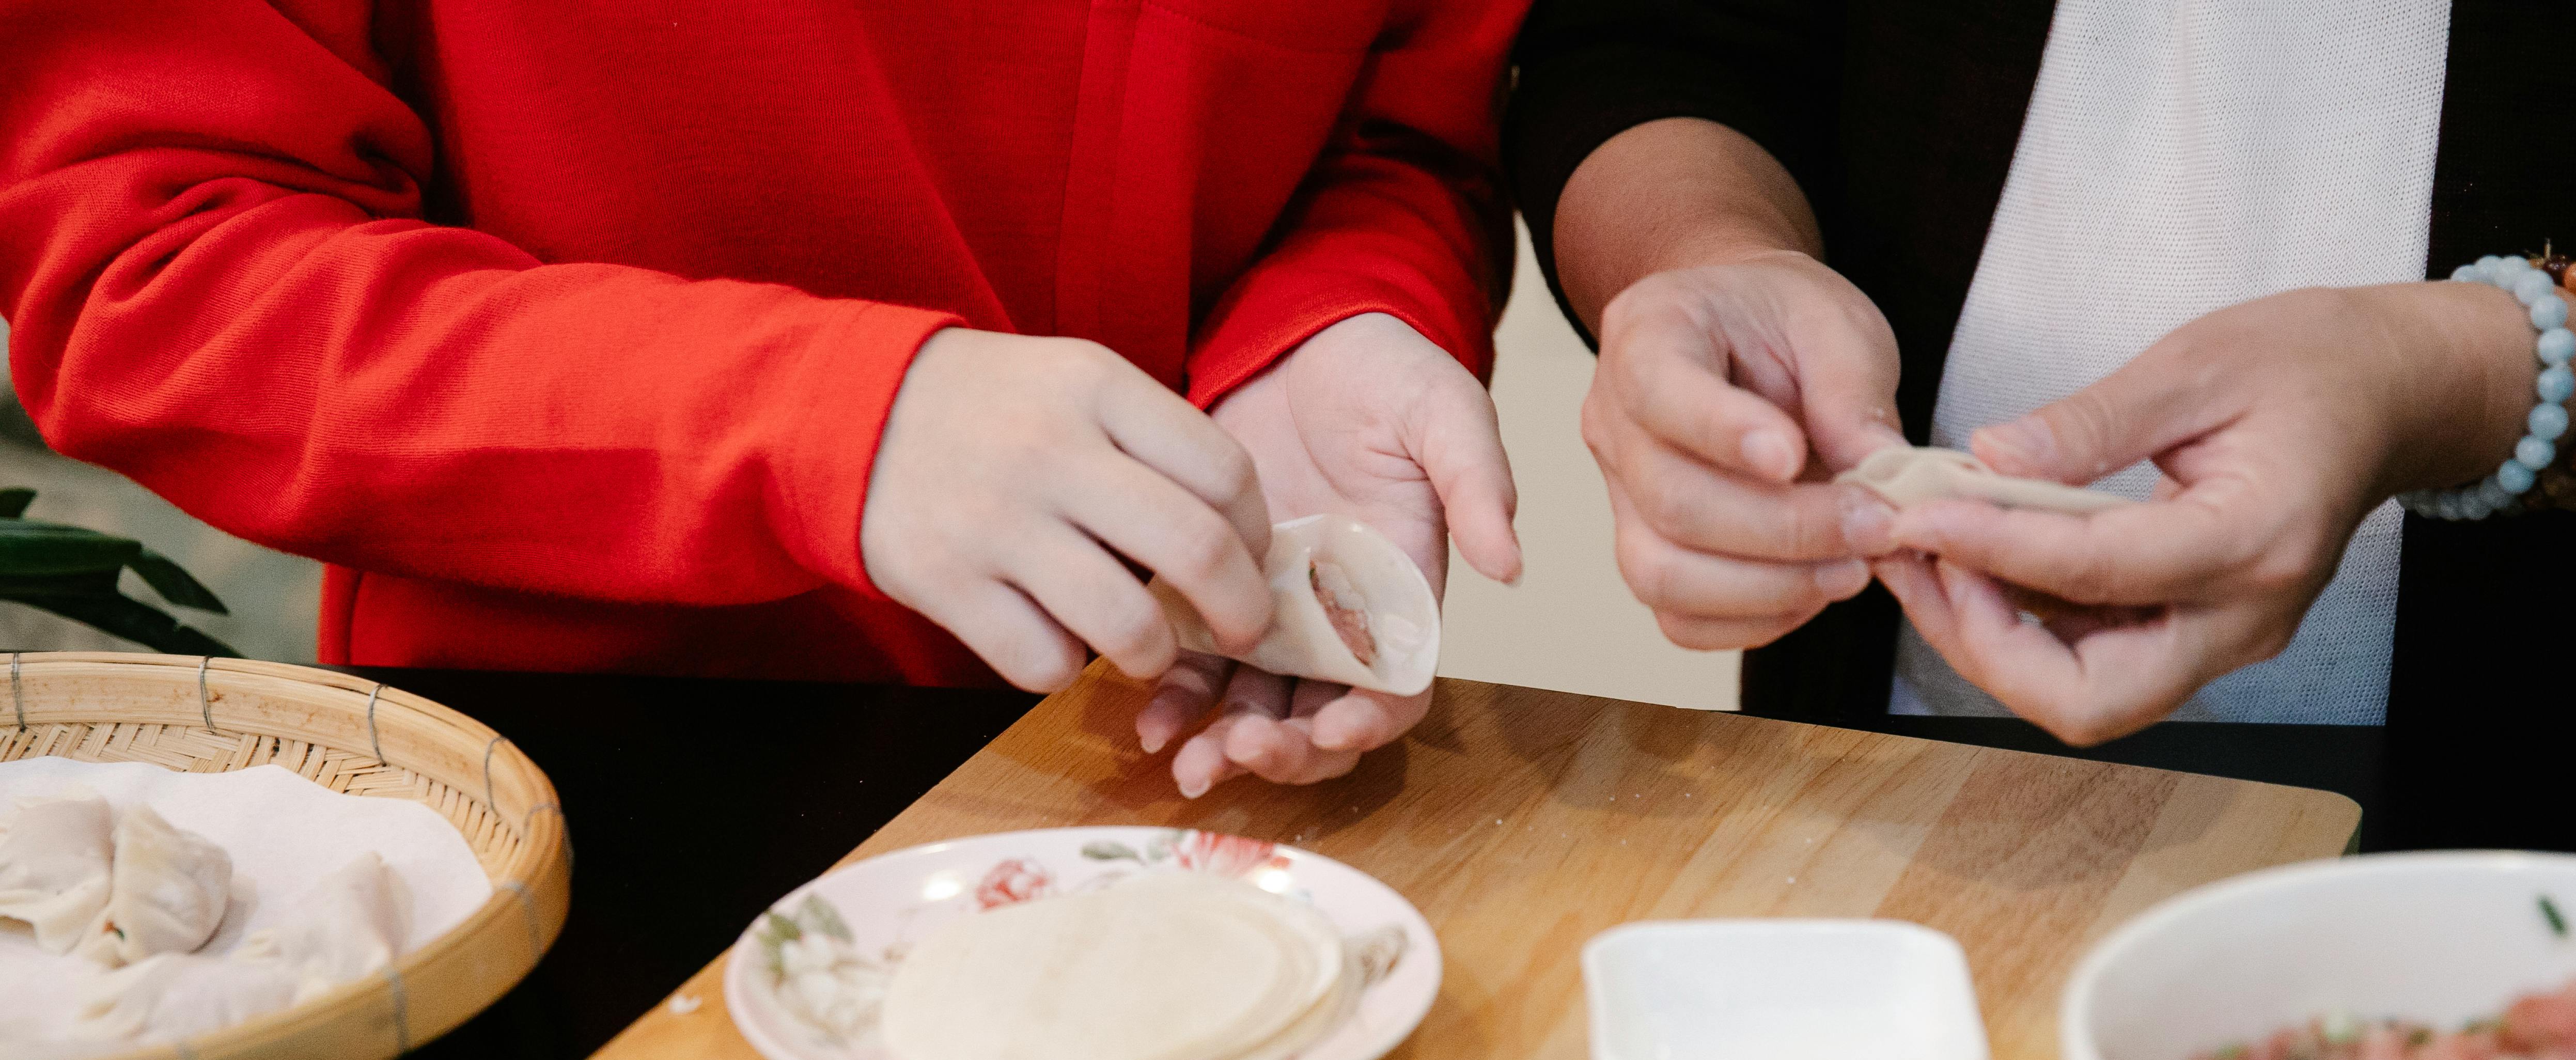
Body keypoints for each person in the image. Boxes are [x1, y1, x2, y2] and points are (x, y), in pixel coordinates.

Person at [0, 1, 1526, 799]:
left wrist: (1327, 328)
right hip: (593, 795)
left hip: (1191, 783)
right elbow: (155, 255)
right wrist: (823, 423)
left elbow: (1395, 121)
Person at [1506, 2, 2576, 850]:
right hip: (1894, 788)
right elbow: (1654, 46)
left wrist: (2464, 377)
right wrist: (1709, 260)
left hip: (2523, 831)